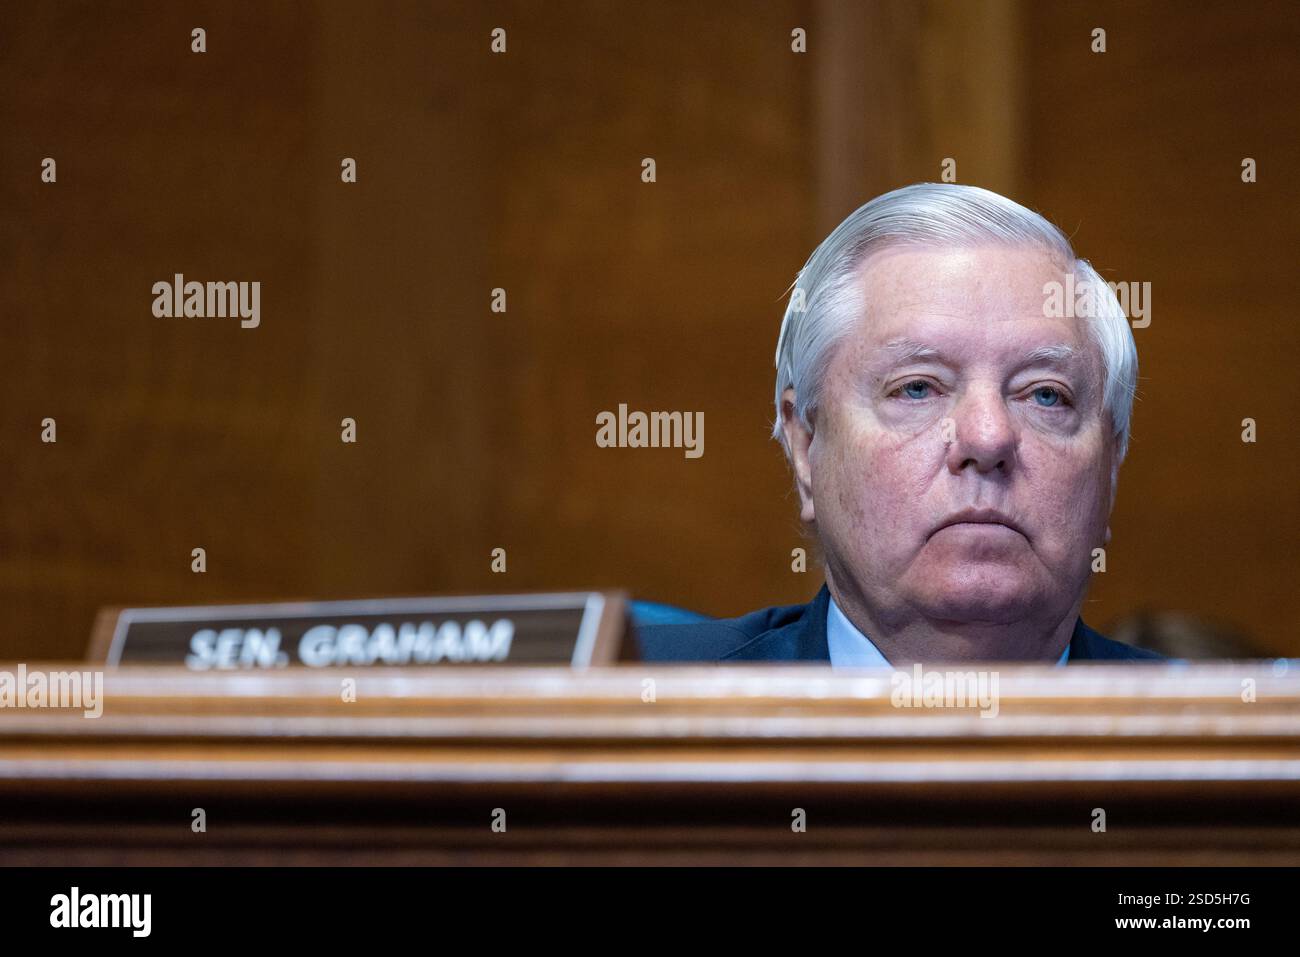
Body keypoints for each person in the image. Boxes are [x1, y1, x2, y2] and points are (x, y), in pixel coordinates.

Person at [639, 183, 1161, 665]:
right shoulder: (622, 711)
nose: (987, 437)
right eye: (917, 387)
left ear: (1110, 465)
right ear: (805, 444)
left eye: (1046, 395)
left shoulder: (1220, 743)